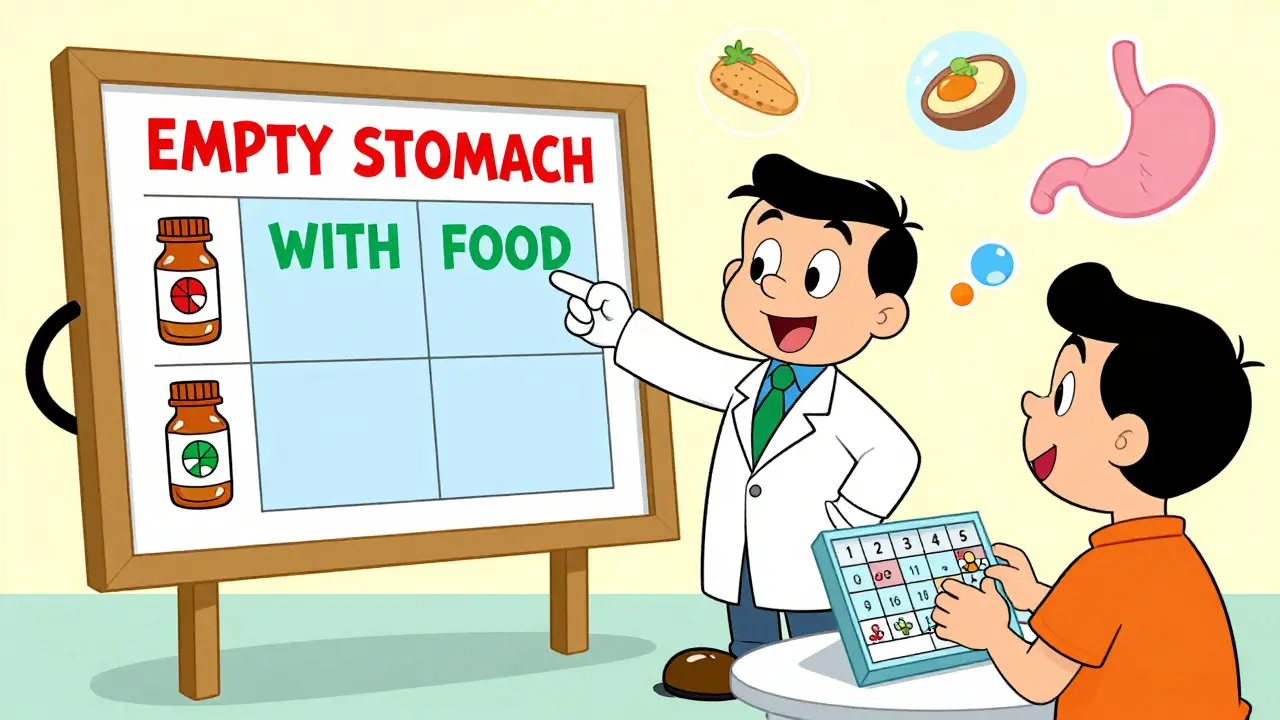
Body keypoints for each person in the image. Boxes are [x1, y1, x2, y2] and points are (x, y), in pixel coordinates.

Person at [549, 154, 921, 701]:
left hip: (809, 550)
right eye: (761, 265)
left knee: (815, 628)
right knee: (748, 611)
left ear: (882, 314)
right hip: (745, 544)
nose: (775, 290)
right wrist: (621, 328)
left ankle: (820, 683)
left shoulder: (849, 410)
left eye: (816, 278)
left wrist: (843, 519)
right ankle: (748, 670)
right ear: (734, 275)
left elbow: (897, 455)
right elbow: (688, 366)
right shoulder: (747, 381)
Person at [932, 262, 1255, 719]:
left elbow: (1038, 681)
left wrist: (991, 631)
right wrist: (1042, 597)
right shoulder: (1171, 555)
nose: (1032, 403)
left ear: (1124, 441)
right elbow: (1119, 630)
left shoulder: (1109, 570)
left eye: (1064, 395)